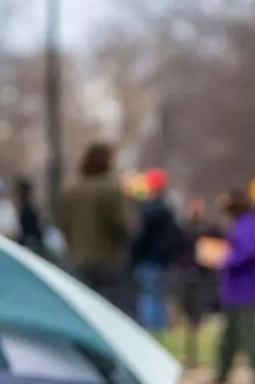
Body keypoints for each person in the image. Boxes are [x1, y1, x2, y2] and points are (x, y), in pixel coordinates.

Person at [54, 142, 133, 314]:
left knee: (83, 307)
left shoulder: (72, 189)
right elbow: (120, 223)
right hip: (107, 258)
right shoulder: (111, 187)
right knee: (108, 308)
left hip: (78, 257)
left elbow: (61, 221)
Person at [214, 189, 255, 384]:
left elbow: (247, 252)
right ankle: (222, 372)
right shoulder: (243, 223)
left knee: (249, 332)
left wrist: (225, 260)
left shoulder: (248, 224)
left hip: (245, 287)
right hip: (236, 288)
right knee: (230, 333)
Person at [131, 168, 184, 332]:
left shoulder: (149, 210)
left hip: (148, 258)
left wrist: (133, 255)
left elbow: (140, 237)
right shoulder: (168, 209)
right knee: (160, 296)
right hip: (164, 260)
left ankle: (151, 329)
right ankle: (161, 328)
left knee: (148, 296)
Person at [176, 195, 225, 368]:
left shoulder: (210, 229)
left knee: (203, 315)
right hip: (189, 275)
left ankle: (199, 355)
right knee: (189, 316)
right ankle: (190, 354)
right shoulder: (184, 230)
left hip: (205, 277)